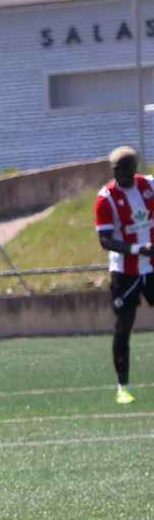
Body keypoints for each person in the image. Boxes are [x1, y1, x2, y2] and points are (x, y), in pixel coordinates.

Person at [95, 146, 154, 405]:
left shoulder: (150, 186)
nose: (125, 174)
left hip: (152, 268)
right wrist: (135, 249)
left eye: (129, 169)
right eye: (119, 170)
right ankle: (123, 385)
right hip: (125, 271)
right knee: (123, 326)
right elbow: (105, 239)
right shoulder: (105, 198)